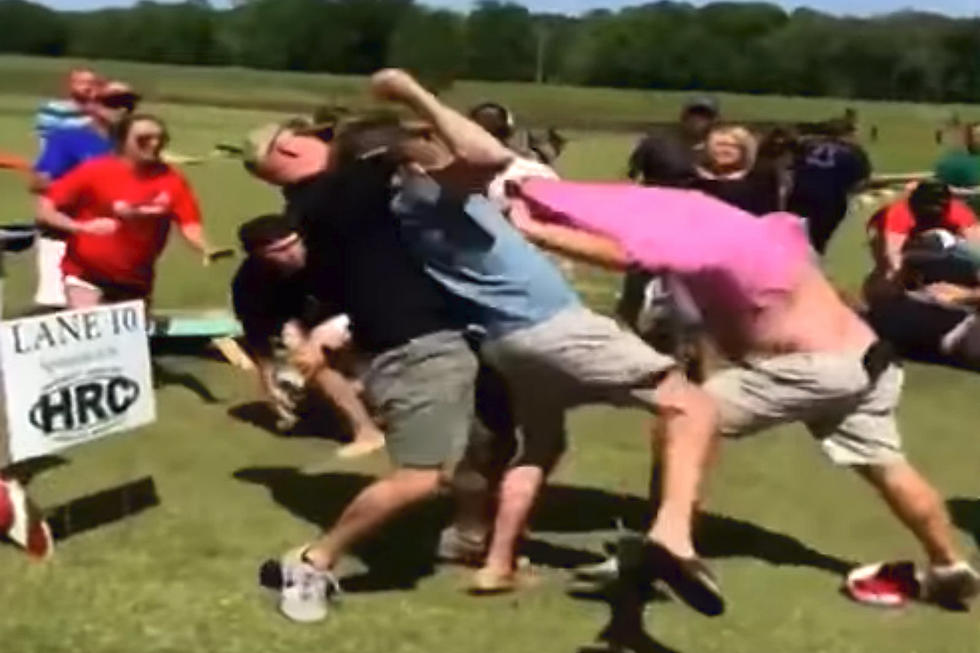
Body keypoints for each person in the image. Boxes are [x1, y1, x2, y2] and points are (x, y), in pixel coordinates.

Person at [506, 178, 980, 610]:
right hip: (865, 359)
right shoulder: (766, 236)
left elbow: (629, 255)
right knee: (886, 464)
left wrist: (530, 228)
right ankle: (948, 565)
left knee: (685, 414)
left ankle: (670, 544)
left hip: (814, 369)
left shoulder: (712, 244)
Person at [366, 69, 720, 610]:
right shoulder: (426, 195)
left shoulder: (417, 208)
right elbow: (487, 154)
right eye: (430, 143)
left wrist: (523, 221)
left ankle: (497, 565)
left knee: (541, 446)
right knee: (690, 404)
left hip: (509, 342)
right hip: (554, 327)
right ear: (411, 163)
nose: (443, 145)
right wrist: (415, 93)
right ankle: (673, 541)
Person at [242, 115, 494, 624]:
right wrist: (414, 112)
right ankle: (313, 562)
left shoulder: (318, 205)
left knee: (482, 443)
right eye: (317, 135)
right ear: (288, 150)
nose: (326, 139)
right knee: (420, 479)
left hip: (424, 340)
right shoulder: (341, 190)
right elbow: (465, 154)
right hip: (417, 347)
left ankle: (469, 538)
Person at [231, 214, 385, 458]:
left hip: (371, 307)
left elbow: (375, 292)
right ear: (257, 255)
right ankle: (366, 430)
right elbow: (258, 333)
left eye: (294, 243)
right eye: (279, 250)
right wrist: (267, 377)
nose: (292, 254)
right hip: (316, 322)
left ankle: (369, 396)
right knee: (306, 357)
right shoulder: (250, 283)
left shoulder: (332, 253)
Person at [36, 114, 215, 307]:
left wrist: (205, 247)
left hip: (136, 279)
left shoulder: (172, 180)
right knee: (93, 330)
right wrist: (80, 227)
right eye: (144, 139)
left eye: (160, 138)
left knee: (130, 336)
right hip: (86, 273)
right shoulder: (94, 171)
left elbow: (189, 222)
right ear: (122, 142)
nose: (154, 144)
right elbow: (45, 209)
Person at [31, 80, 140, 309]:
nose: (121, 110)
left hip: (116, 242)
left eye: (129, 104)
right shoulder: (68, 139)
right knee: (59, 309)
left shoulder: (132, 146)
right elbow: (40, 183)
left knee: (116, 309)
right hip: (66, 236)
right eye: (113, 103)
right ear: (93, 106)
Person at [619, 95, 719, 337]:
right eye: (694, 114)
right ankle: (626, 322)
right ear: (684, 116)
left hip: (695, 221)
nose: (698, 121)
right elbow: (632, 177)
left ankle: (686, 334)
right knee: (640, 272)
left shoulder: (717, 149)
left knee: (690, 281)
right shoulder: (657, 143)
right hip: (654, 216)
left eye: (705, 116)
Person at [865, 180, 980, 302]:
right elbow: (893, 252)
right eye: (927, 208)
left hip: (934, 245)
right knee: (889, 278)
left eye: (937, 208)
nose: (931, 212)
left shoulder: (958, 211)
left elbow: (977, 245)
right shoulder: (900, 213)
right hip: (898, 239)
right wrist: (898, 277)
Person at [786, 119, 871, 255]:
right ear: (849, 133)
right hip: (829, 202)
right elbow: (859, 184)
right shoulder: (855, 152)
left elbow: (790, 166)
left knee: (791, 238)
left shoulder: (808, 145)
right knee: (816, 243)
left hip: (799, 196)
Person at [691, 125, 781, 216]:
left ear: (744, 150)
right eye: (720, 145)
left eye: (733, 146)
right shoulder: (694, 182)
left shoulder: (761, 181)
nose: (725, 150)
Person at [34, 68, 100, 143]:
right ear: (71, 85)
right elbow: (48, 142)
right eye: (82, 83)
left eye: (92, 83)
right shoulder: (53, 109)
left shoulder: (100, 111)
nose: (87, 87)